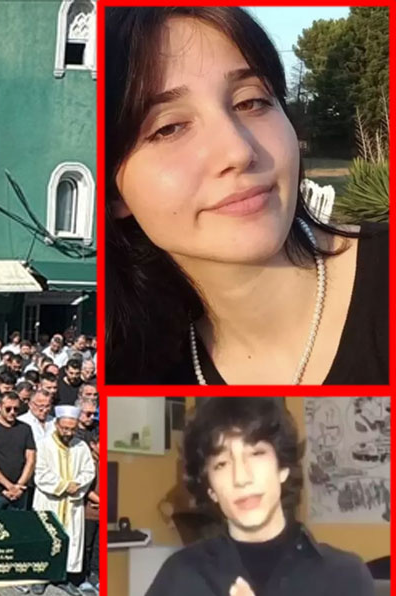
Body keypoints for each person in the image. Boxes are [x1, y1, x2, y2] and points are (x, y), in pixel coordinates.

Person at [105, 7, 387, 384]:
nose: (238, 151)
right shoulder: (135, 376)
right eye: (169, 127)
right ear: (113, 194)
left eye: (251, 102)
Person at [107, 397, 389, 596]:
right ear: (210, 488)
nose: (241, 477)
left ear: (283, 467)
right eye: (221, 464)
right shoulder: (182, 575)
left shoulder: (344, 576)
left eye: (256, 453)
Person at [31, 405, 95, 596]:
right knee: (46, 537)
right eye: (64, 428)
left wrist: (77, 484)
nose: (68, 432)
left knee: (70, 539)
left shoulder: (80, 446)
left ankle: (62, 578)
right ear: (57, 424)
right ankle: (41, 578)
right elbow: (40, 472)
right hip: (49, 500)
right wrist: (63, 485)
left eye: (72, 429)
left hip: (72, 503)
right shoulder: (43, 445)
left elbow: (89, 471)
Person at [0, 392, 36, 512]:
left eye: (16, 409)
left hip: (20, 491)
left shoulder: (25, 429)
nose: (12, 412)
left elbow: (31, 459)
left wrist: (19, 485)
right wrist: (9, 486)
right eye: (8, 409)